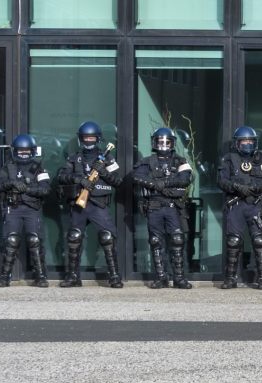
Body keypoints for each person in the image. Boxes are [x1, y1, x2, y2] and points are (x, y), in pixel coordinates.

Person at [56, 121, 125, 288]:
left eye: (91, 138)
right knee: (74, 237)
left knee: (107, 237)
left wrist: (103, 172)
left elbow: (118, 181)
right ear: (80, 139)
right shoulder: (74, 158)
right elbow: (61, 176)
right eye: (85, 138)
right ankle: (73, 276)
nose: (88, 141)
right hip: (79, 204)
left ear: (98, 139)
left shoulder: (107, 158)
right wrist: (79, 180)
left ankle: (114, 276)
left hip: (98, 204)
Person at [131, 127, 194, 289]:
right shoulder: (147, 161)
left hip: (173, 207)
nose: (164, 145)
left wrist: (163, 184)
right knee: (156, 241)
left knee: (177, 240)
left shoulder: (180, 161)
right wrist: (154, 184)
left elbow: (185, 180)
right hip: (154, 207)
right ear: (154, 143)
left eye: (167, 142)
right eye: (160, 142)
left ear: (173, 143)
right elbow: (137, 176)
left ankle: (179, 278)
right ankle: (161, 277)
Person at [218, 126, 262, 289]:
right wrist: (237, 187)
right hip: (236, 204)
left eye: (250, 141)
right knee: (233, 241)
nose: (247, 144)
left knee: (259, 240)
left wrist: (256, 188)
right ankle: (230, 278)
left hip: (255, 204)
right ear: (237, 143)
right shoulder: (228, 158)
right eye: (244, 141)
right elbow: (221, 180)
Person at [0, 135, 51, 287]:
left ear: (32, 151)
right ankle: (5, 277)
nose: (23, 154)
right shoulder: (8, 167)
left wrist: (28, 189)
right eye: (20, 151)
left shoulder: (38, 167)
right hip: (13, 208)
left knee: (35, 241)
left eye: (26, 151)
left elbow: (46, 189)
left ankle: (40, 276)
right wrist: (10, 183)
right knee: (11, 241)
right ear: (15, 151)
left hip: (32, 208)